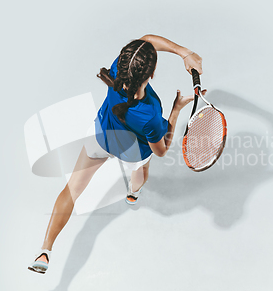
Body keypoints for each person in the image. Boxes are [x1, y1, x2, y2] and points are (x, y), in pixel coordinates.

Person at [28, 34, 204, 274]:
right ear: (151, 75)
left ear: (123, 61)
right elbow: (162, 150)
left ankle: (44, 251)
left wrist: (185, 52)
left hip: (101, 138)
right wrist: (176, 109)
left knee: (72, 190)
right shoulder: (151, 114)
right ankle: (133, 194)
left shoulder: (117, 69)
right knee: (141, 172)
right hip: (133, 152)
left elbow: (147, 40)